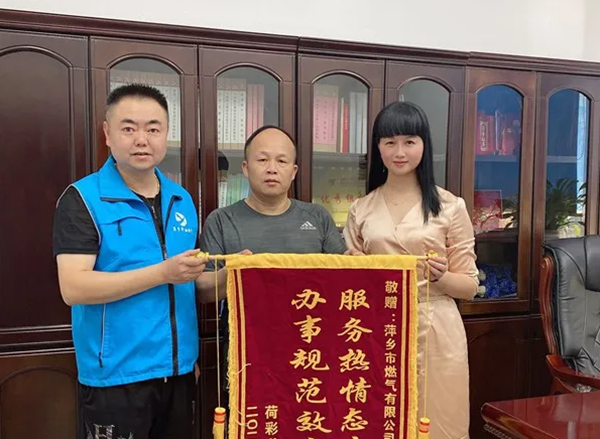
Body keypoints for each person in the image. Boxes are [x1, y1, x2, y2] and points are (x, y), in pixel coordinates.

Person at [53, 84, 209, 439]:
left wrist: (236, 274)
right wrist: (162, 273)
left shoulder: (181, 199)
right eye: (128, 128)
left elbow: (191, 283)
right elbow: (74, 287)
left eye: (153, 129)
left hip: (179, 372)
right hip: (116, 378)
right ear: (107, 134)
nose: (142, 140)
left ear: (166, 135)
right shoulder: (83, 198)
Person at [343, 101, 479, 439]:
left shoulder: (450, 206)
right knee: (377, 417)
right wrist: (354, 267)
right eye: (389, 142)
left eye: (409, 141)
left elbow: (469, 286)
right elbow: (352, 286)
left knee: (439, 423)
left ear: (424, 145)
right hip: (377, 326)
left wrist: (442, 277)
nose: (399, 152)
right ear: (378, 148)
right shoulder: (361, 209)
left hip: (436, 326)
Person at [196, 125, 347, 399]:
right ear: (245, 167)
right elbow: (203, 290)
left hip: (311, 349)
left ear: (294, 171)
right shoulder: (221, 220)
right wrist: (232, 273)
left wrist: (360, 264)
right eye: (262, 159)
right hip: (246, 352)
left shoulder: (318, 217)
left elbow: (344, 276)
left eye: (281, 161)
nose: (272, 169)